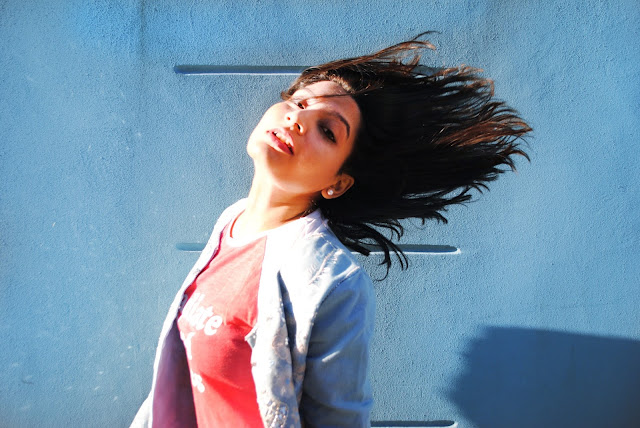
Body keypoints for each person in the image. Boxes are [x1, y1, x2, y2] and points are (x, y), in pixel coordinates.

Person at [131, 33, 531, 428]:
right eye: (299, 102)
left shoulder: (332, 282)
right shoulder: (233, 221)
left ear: (337, 183)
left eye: (327, 130)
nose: (298, 119)